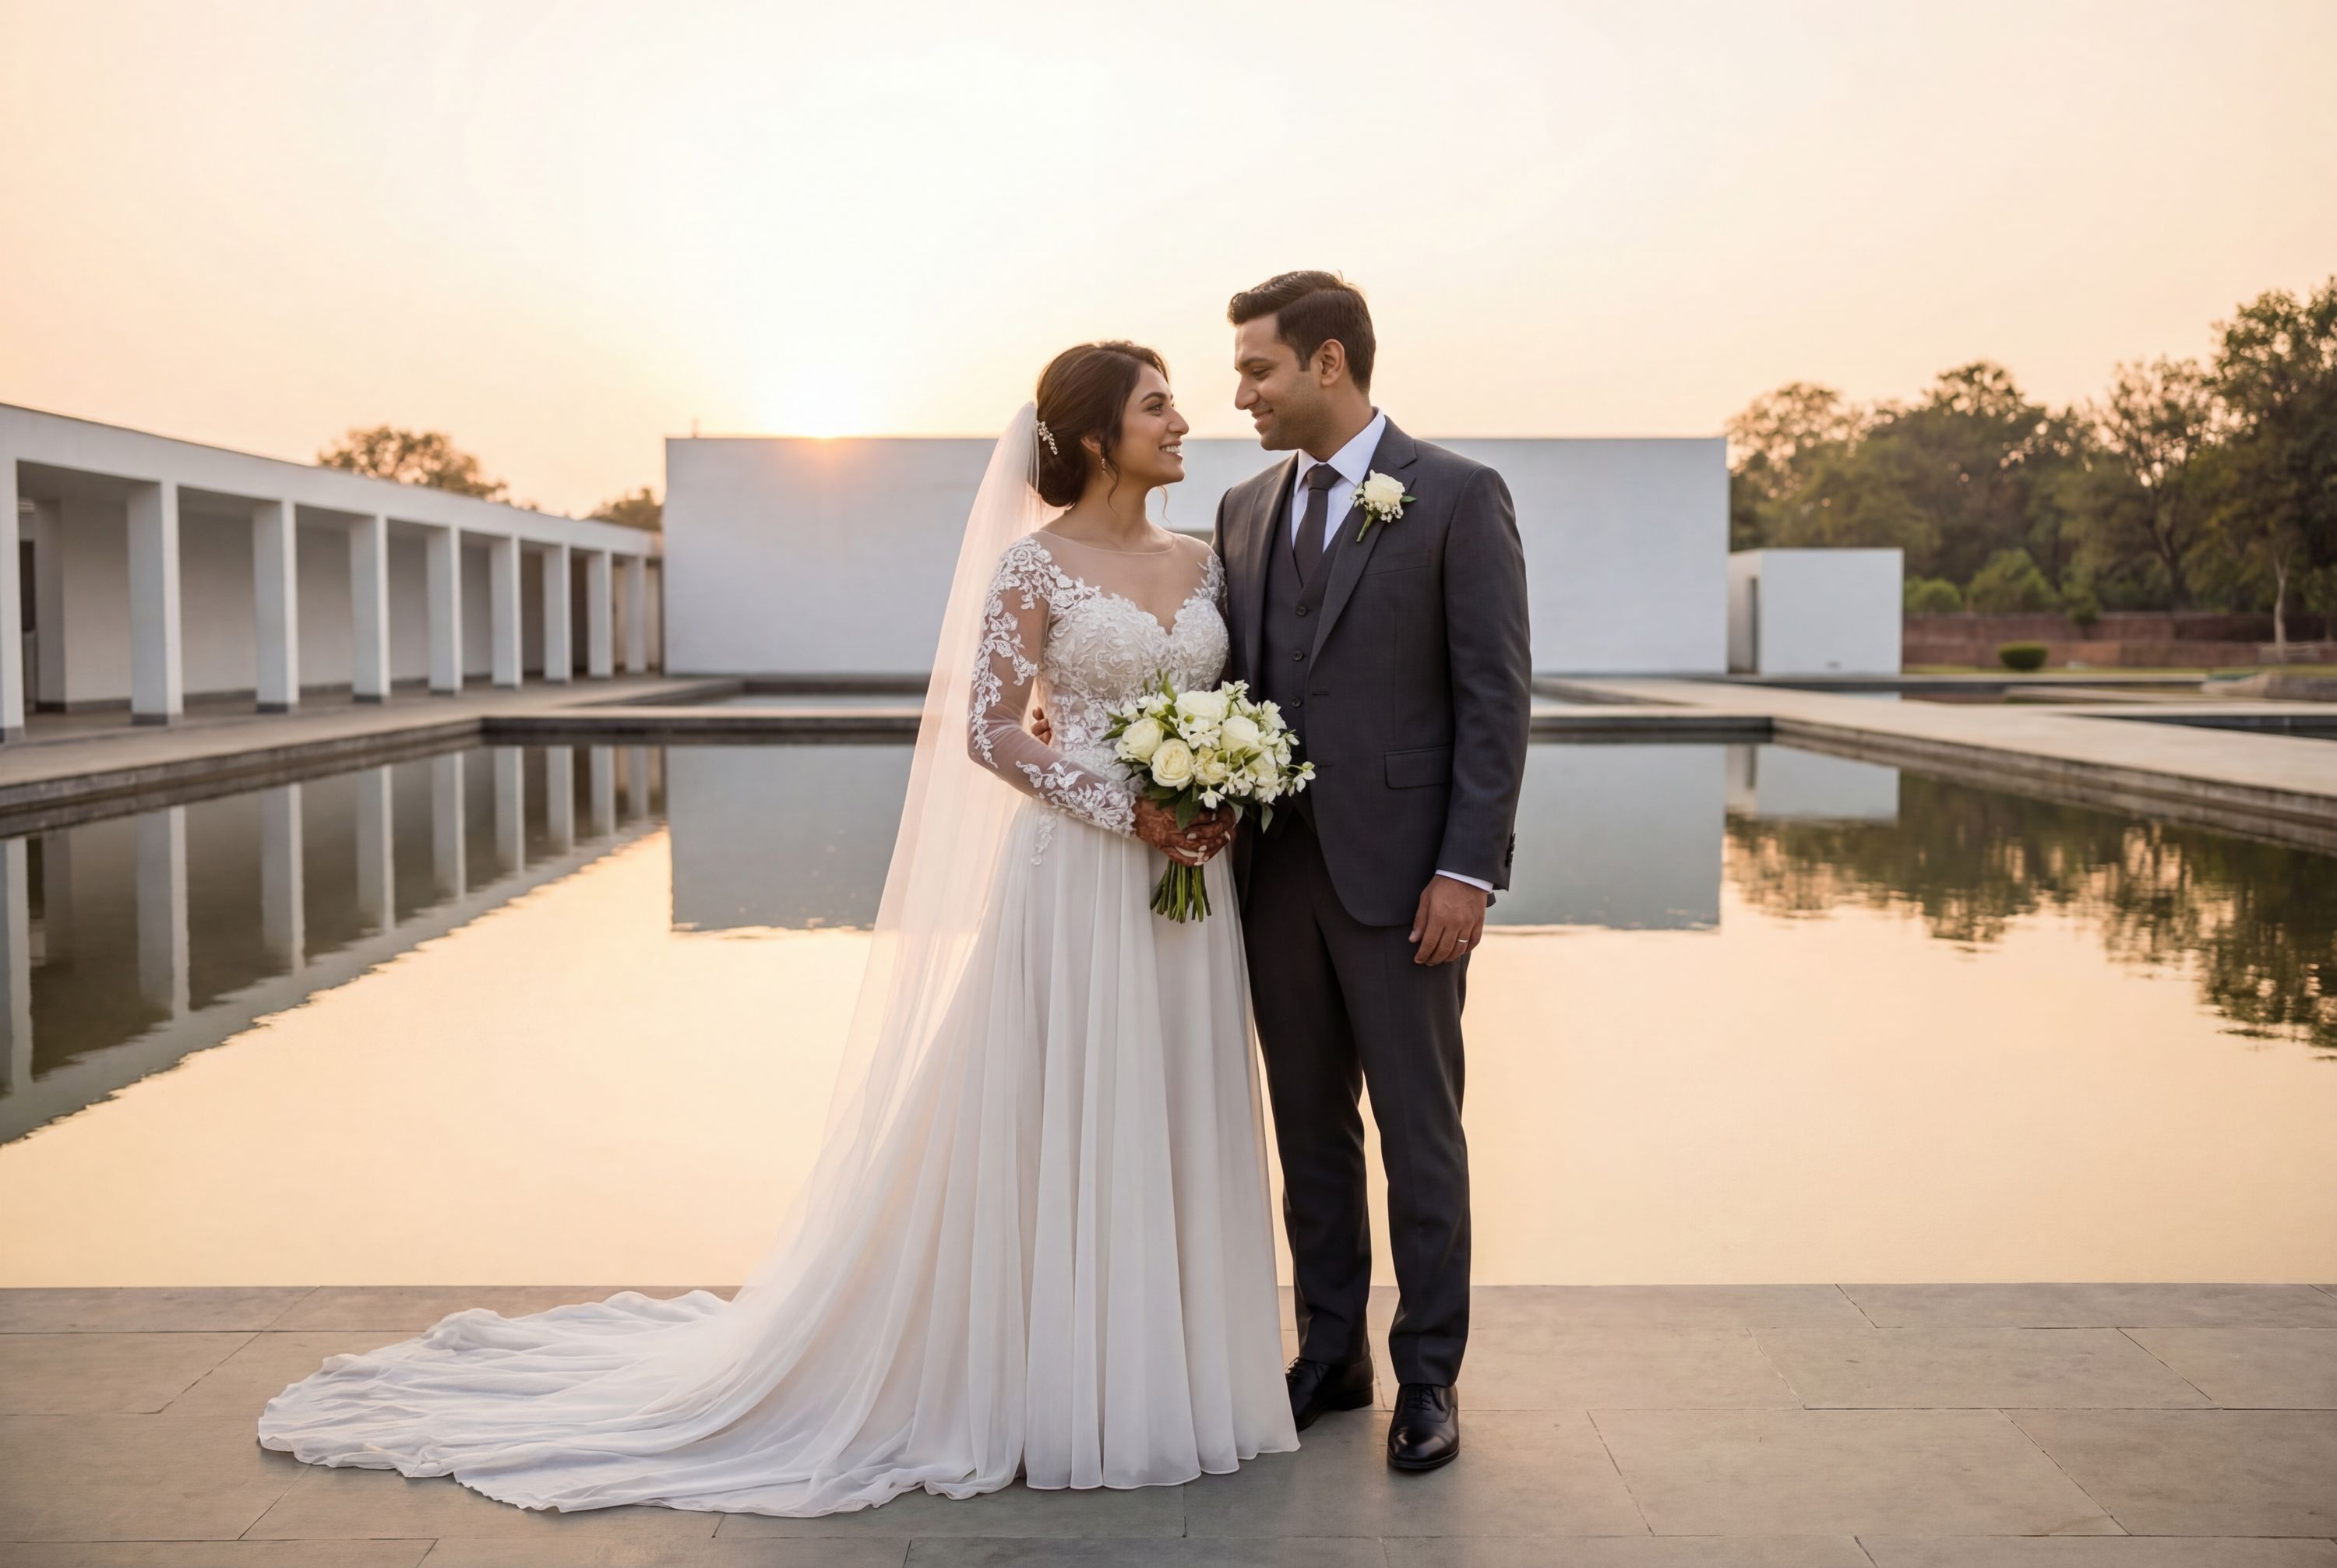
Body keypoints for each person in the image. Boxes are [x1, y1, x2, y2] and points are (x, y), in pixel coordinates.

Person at [255, 341, 1299, 1515]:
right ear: (1100, 435)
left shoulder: (1208, 561)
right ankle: (1066, 1381)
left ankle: (1176, 1378)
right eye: (1158, 404)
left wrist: (1213, 793)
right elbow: (993, 733)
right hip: (1081, 881)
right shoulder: (1033, 567)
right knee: (1067, 1110)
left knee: (1176, 1102)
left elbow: (1232, 705)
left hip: (1188, 891)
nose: (1182, 418)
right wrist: (1128, 808)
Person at [1214, 270, 1532, 1472]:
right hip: (1274, 876)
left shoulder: (1456, 496)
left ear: (1330, 361)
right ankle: (1332, 1350)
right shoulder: (1242, 507)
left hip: (1408, 879)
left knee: (1420, 1130)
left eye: (1258, 368)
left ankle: (1431, 1377)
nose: (1239, 392)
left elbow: (1495, 698)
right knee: (1309, 1128)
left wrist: (1468, 868)